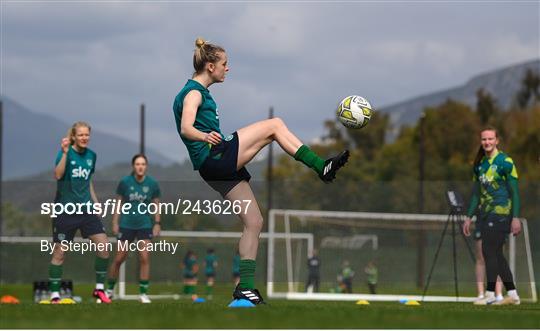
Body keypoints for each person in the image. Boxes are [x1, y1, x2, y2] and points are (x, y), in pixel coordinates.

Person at [172, 37, 350, 305]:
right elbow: (186, 127)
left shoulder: (199, 92)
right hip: (215, 157)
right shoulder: (194, 92)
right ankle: (320, 166)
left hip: (213, 167)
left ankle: (245, 288)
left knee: (254, 222)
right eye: (224, 64)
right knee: (275, 125)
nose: (227, 69)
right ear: (210, 66)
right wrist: (204, 137)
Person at [49, 121, 111, 304]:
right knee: (60, 253)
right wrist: (66, 153)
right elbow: (58, 175)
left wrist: (96, 203)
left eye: (87, 135)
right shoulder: (65, 153)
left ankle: (99, 290)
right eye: (81, 135)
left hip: (87, 210)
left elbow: (88, 181)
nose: (84, 138)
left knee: (104, 247)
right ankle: (54, 295)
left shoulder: (92, 156)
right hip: (65, 210)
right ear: (74, 136)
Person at [463, 127, 522, 305]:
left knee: (489, 251)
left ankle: (489, 294)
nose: (487, 142)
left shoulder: (505, 162)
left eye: (490, 139)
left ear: (497, 141)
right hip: (486, 214)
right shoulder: (480, 166)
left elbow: (515, 193)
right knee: (495, 253)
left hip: (502, 213)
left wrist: (516, 217)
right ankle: (512, 295)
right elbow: (476, 194)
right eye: (484, 139)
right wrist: (468, 216)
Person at [106, 154, 161, 303]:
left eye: (143, 164)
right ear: (133, 166)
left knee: (144, 257)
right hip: (126, 224)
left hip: (144, 225)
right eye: (137, 164)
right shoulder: (125, 182)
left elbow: (156, 204)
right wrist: (115, 222)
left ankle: (143, 293)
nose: (140, 166)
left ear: (146, 166)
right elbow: (118, 203)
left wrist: (157, 223)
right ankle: (109, 290)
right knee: (119, 258)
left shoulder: (152, 184)